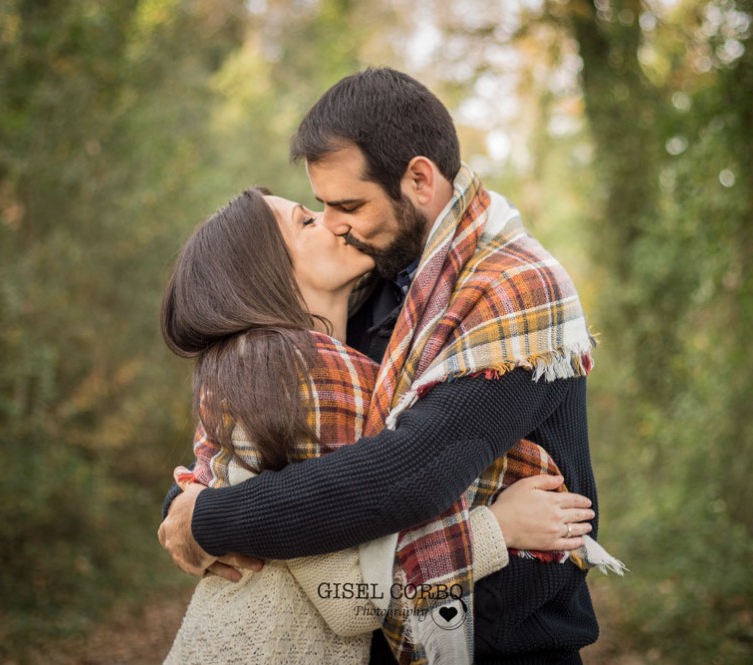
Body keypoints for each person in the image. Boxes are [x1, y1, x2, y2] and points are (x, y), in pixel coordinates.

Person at [160, 68, 605, 664]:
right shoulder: (362, 291)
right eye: (320, 208)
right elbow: (266, 440)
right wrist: (182, 501)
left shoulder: (511, 292)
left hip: (507, 646)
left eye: (348, 204)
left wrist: (209, 519)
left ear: (419, 180)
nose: (335, 223)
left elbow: (410, 471)